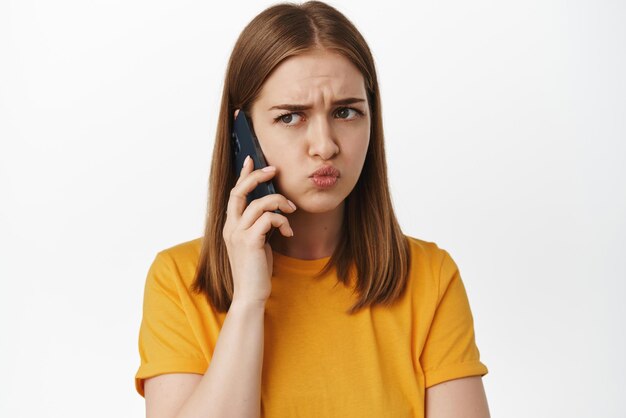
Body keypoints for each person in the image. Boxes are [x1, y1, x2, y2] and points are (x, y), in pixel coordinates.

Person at [134, 1, 490, 417]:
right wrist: (248, 300)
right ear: (242, 133)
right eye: (291, 117)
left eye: (345, 112)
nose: (325, 145)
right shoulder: (178, 281)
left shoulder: (430, 278)